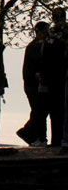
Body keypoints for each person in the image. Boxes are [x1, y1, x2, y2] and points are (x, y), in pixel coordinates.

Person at [38, 8, 68, 148]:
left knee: (56, 110)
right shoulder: (62, 34)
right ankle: (59, 139)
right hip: (59, 75)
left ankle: (57, 139)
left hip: (54, 77)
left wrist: (43, 75)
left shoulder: (52, 35)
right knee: (59, 110)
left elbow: (46, 56)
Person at [16, 22, 49, 146]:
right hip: (33, 84)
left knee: (40, 111)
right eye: (46, 30)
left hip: (33, 83)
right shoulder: (35, 46)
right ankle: (34, 135)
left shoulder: (34, 46)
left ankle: (31, 133)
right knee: (38, 111)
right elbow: (36, 64)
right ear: (40, 32)